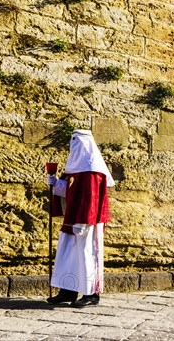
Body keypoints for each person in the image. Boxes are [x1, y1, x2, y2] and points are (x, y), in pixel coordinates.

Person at [46, 129, 114, 306]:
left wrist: (83, 221)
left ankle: (91, 294)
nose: (73, 147)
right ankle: (68, 291)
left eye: (76, 143)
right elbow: (71, 192)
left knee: (87, 255)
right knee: (68, 255)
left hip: (87, 222)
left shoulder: (92, 171)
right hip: (73, 218)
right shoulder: (75, 170)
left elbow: (91, 198)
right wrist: (56, 184)